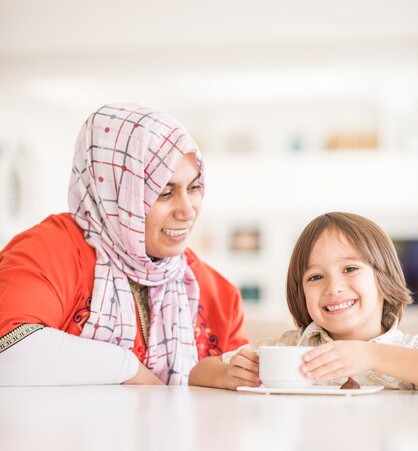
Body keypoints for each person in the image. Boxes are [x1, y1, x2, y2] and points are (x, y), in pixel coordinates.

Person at [0, 103, 249, 386]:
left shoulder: (218, 295)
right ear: (114, 192)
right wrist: (125, 367)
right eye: (164, 193)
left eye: (193, 188)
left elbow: (243, 408)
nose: (187, 211)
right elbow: (7, 351)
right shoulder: (50, 250)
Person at [189, 211, 418, 390]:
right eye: (316, 277)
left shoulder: (407, 351)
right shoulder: (293, 348)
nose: (333, 287)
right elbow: (198, 372)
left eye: (350, 269)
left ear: (384, 280)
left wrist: (371, 355)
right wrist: (227, 374)